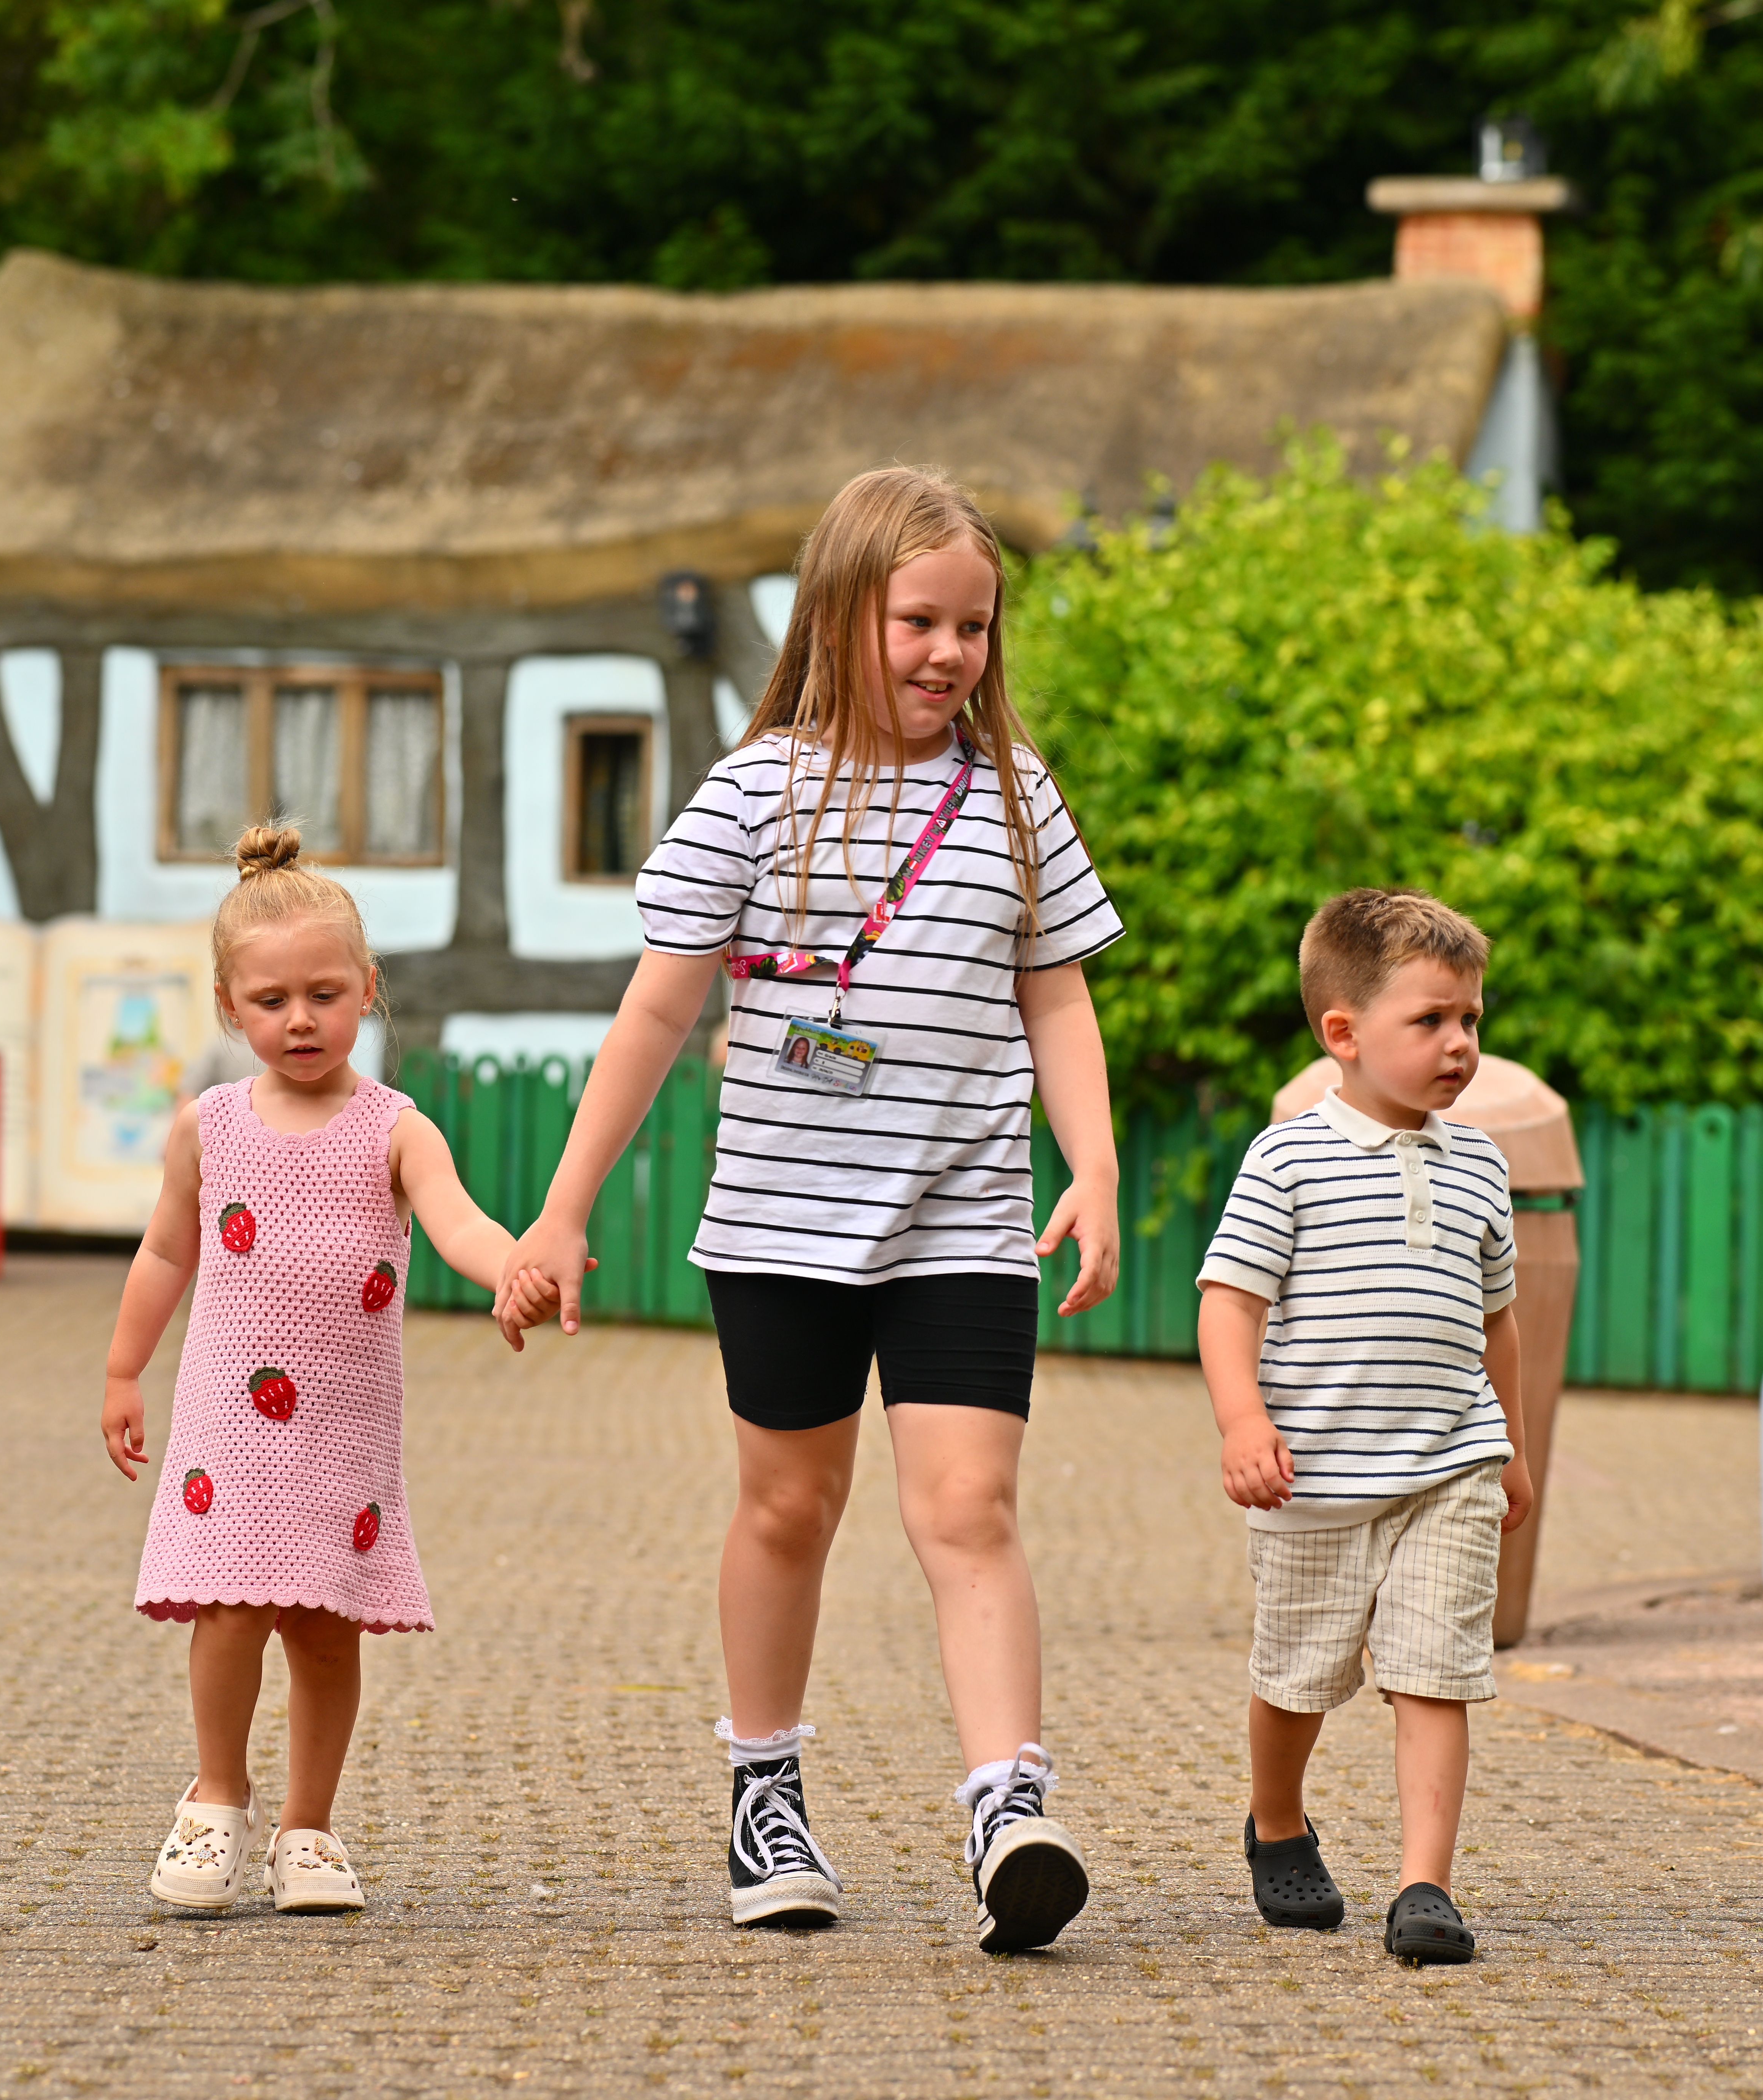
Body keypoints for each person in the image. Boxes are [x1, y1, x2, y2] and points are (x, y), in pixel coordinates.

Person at [499, 464, 1125, 1954]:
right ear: (842, 613)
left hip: (964, 1217)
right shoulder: (752, 791)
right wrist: (560, 1210)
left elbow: (1058, 993)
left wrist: (1091, 1161)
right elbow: (656, 1013)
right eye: (920, 620)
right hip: (782, 1222)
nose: (948, 654)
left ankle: (1004, 1803)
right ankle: (765, 1790)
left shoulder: (1014, 795)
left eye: (974, 627)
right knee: (792, 1506)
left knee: (968, 1508)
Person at [101, 823, 559, 1916]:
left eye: (324, 994)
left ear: (368, 989)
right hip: (225, 1424)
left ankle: (310, 1828)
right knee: (227, 1611)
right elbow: (168, 1251)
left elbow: (459, 1223)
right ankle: (216, 1800)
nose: (299, 1020)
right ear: (228, 1006)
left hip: (340, 1433)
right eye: (271, 1002)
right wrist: (124, 1371)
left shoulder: (397, 1128)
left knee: (323, 1623)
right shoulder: (207, 1129)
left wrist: (514, 1271)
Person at [1194, 890, 1534, 1964]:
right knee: (1298, 1676)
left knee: (1436, 1671)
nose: (1460, 1044)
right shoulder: (1286, 1160)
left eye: (1472, 1020)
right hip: (1318, 1480)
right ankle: (1279, 1819)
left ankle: (1424, 1885)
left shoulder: (1481, 1164)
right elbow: (1229, 1301)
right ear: (1343, 1033)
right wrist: (1243, 1422)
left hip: (1449, 1468)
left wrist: (1510, 1446)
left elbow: (1500, 1324)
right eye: (1431, 1021)